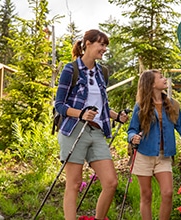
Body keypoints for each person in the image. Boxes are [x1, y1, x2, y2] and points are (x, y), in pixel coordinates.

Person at [55, 29, 128, 220]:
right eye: (101, 44)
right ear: (87, 44)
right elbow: (60, 105)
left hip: (96, 131)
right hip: (73, 130)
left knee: (111, 182)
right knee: (74, 182)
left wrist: (116, 116)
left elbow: (102, 106)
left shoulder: (102, 72)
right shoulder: (71, 70)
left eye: (105, 46)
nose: (104, 49)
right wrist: (81, 114)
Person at [127, 69, 181, 220]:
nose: (165, 79)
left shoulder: (172, 104)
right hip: (144, 155)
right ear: (151, 84)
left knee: (168, 193)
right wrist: (133, 137)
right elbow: (132, 129)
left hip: (164, 156)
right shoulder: (140, 105)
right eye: (160, 77)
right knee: (146, 195)